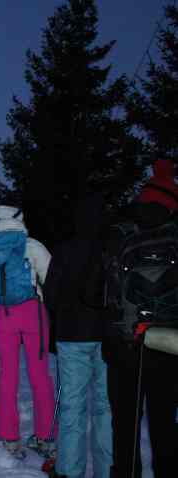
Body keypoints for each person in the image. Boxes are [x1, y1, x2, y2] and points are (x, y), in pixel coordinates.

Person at [94, 159, 178, 478]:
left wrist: (110, 337)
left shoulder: (121, 234)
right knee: (164, 424)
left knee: (125, 424)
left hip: (125, 344)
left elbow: (108, 292)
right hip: (168, 344)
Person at [0, 205, 55, 460]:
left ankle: (9, 436)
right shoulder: (33, 246)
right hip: (33, 314)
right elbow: (52, 280)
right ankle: (45, 435)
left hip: (3, 315)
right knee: (40, 375)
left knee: (7, 375)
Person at [43, 194, 112, 478]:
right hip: (107, 338)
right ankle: (107, 471)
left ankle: (70, 471)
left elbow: (50, 294)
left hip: (72, 335)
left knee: (72, 406)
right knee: (105, 408)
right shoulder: (111, 249)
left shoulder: (64, 250)